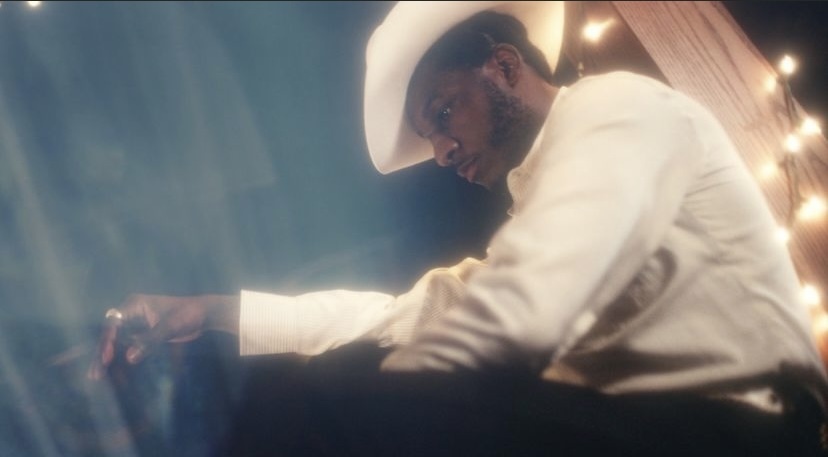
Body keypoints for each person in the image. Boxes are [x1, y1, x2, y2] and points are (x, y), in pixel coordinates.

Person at [89, 2, 828, 455]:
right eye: (432, 136)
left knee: (329, 399)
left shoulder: (617, 109)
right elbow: (398, 313)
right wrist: (211, 312)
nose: (441, 153)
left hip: (743, 430)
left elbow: (523, 306)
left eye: (442, 116)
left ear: (503, 68)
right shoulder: (545, 199)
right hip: (668, 427)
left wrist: (363, 407)